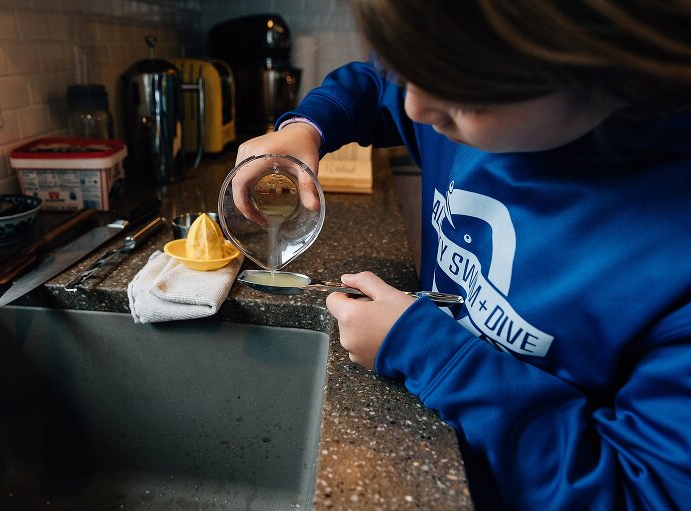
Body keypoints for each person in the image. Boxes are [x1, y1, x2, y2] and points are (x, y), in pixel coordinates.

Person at [235, 1, 691, 509]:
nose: (415, 110)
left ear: (605, 62)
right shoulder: (463, 96)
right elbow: (376, 84)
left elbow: (640, 492)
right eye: (410, 70)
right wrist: (308, 127)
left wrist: (429, 350)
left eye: (461, 95)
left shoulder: (672, 254)